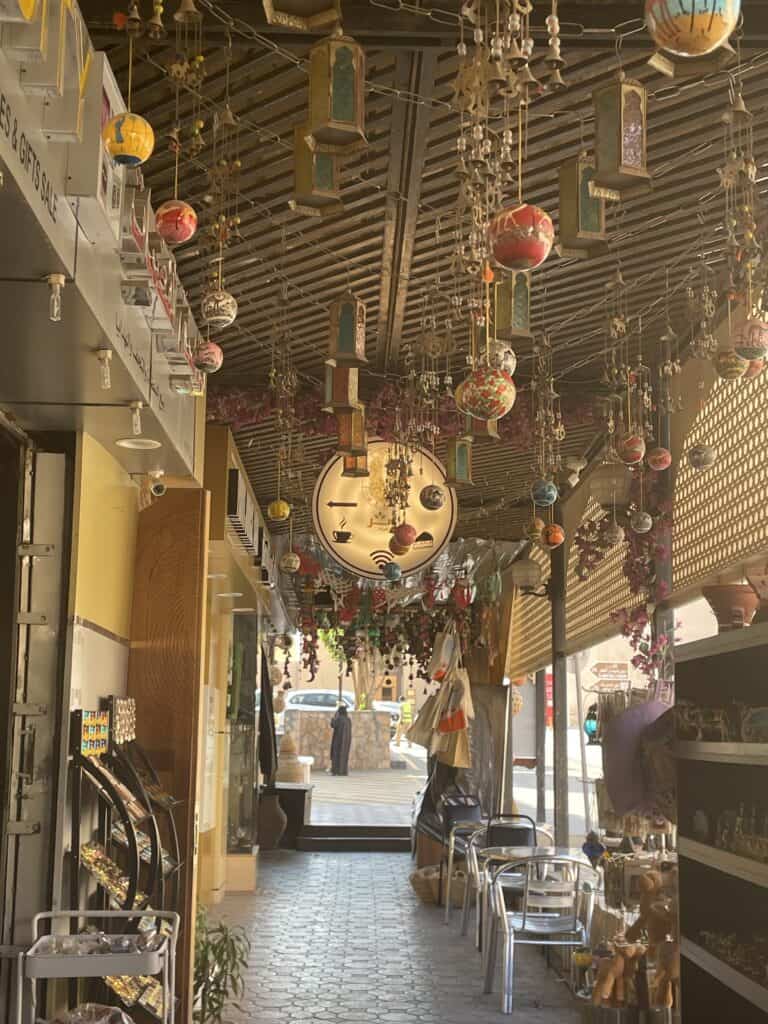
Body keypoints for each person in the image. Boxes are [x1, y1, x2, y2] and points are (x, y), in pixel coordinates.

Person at [329, 703, 352, 775]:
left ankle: (336, 771)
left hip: (338, 740)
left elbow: (333, 725)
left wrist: (334, 717)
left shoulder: (339, 719)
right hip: (346, 741)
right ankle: (343, 771)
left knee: (336, 755)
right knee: (344, 755)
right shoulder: (348, 720)